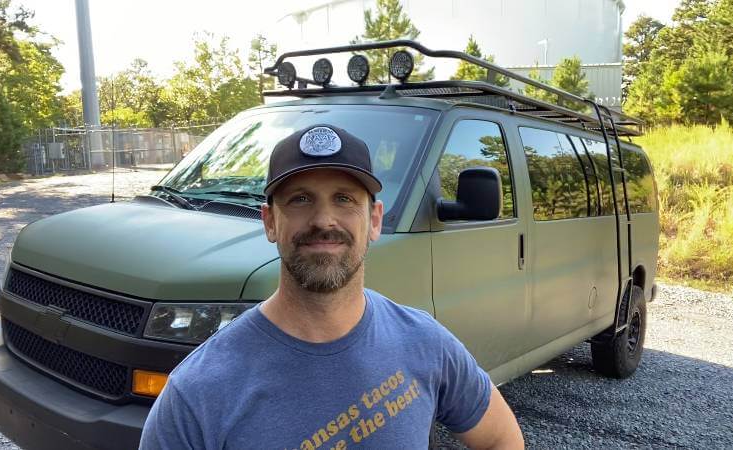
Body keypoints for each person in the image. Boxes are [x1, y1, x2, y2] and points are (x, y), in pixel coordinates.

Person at [140, 124, 525, 449]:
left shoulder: (426, 344)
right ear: (270, 221)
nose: (324, 219)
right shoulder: (197, 392)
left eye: (344, 199)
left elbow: (502, 439)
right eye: (300, 199)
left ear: (374, 220)